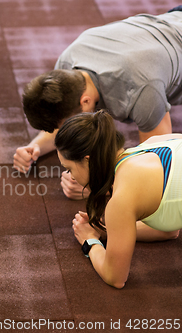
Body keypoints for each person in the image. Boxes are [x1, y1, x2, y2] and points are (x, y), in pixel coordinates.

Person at [13, 10, 182, 199]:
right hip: (169, 24)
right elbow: (61, 121)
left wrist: (100, 187)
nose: (66, 131)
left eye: (68, 125)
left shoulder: (141, 90)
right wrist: (36, 146)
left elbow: (162, 168)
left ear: (85, 101)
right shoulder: (67, 64)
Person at [54, 110, 181, 288]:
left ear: (88, 161)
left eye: (69, 168)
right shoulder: (152, 144)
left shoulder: (122, 199)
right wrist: (109, 230)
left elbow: (115, 277)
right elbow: (169, 229)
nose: (71, 177)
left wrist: (90, 241)